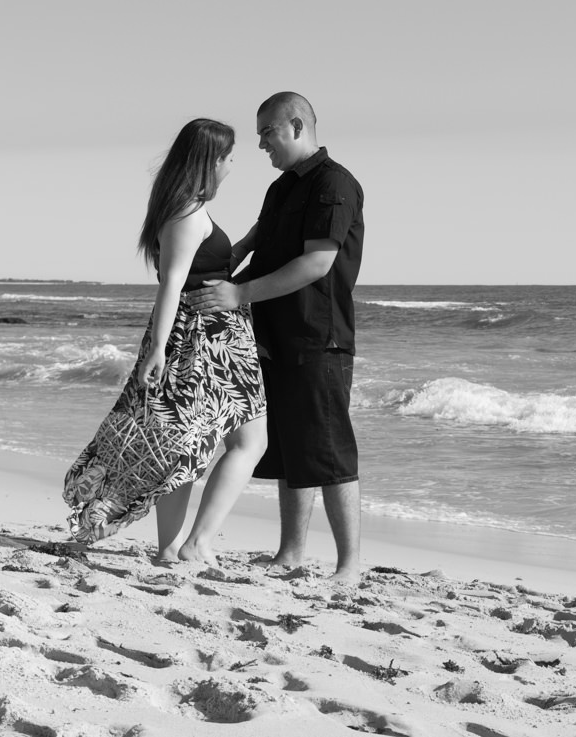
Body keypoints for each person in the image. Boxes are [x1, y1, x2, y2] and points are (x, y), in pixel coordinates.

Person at [63, 118, 268, 564]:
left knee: (188, 447)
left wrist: (250, 241)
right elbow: (171, 284)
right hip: (202, 342)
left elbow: (201, 269)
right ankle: (192, 544)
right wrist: (157, 350)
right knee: (245, 444)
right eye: (229, 158)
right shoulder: (186, 215)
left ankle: (172, 549)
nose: (233, 166)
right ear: (210, 161)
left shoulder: (187, 209)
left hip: (215, 340)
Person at [186, 92, 364, 583]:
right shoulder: (282, 187)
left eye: (268, 131)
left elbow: (317, 263)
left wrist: (237, 293)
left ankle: (348, 565)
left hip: (317, 337)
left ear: (297, 125)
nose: (261, 142)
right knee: (287, 448)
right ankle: (290, 553)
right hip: (271, 335)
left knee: (328, 452)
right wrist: (221, 260)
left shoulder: (335, 184)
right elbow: (261, 237)